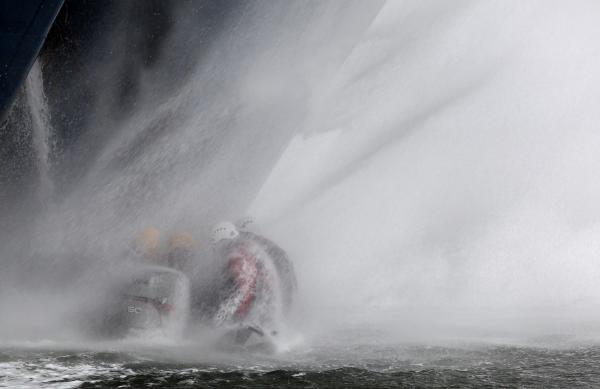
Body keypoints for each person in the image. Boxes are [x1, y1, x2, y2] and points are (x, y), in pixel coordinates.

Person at [210, 221, 281, 332]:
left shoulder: (236, 258)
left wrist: (221, 319)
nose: (220, 250)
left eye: (221, 245)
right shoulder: (248, 250)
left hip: (259, 305)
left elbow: (244, 288)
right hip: (267, 303)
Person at [235, 217, 297, 314]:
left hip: (271, 298)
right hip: (285, 296)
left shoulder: (255, 248)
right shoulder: (276, 249)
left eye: (245, 235)